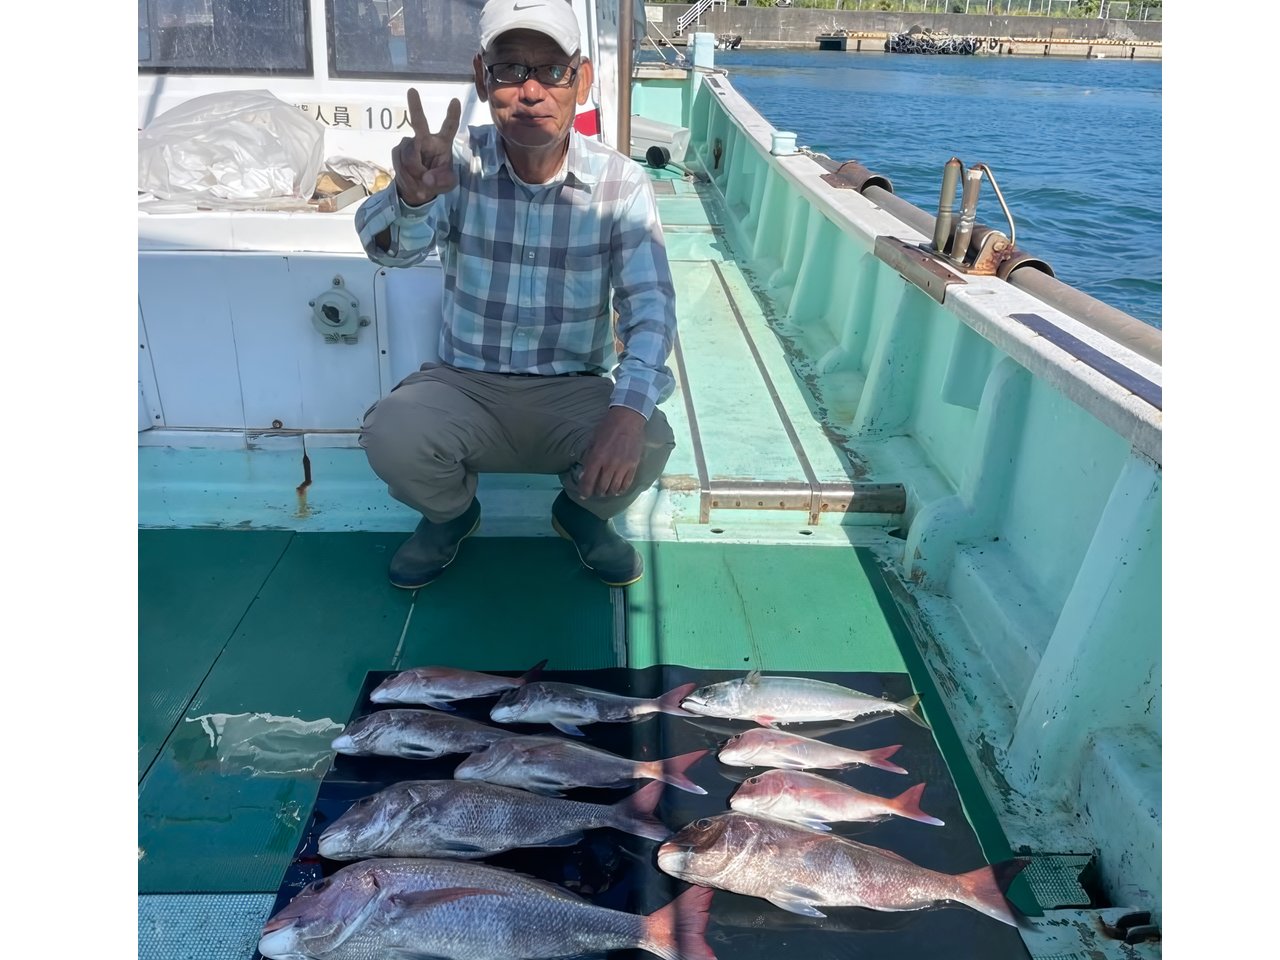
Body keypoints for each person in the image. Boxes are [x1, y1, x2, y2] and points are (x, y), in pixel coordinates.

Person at [354, 0, 677, 590]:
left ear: (580, 79)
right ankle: (451, 516)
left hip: (573, 388)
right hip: (467, 384)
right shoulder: (450, 165)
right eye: (509, 70)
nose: (530, 90)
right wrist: (413, 198)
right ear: (483, 78)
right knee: (390, 433)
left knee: (649, 435)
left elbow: (650, 309)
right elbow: (389, 253)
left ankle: (581, 514)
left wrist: (627, 411)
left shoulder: (621, 182)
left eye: (551, 71)